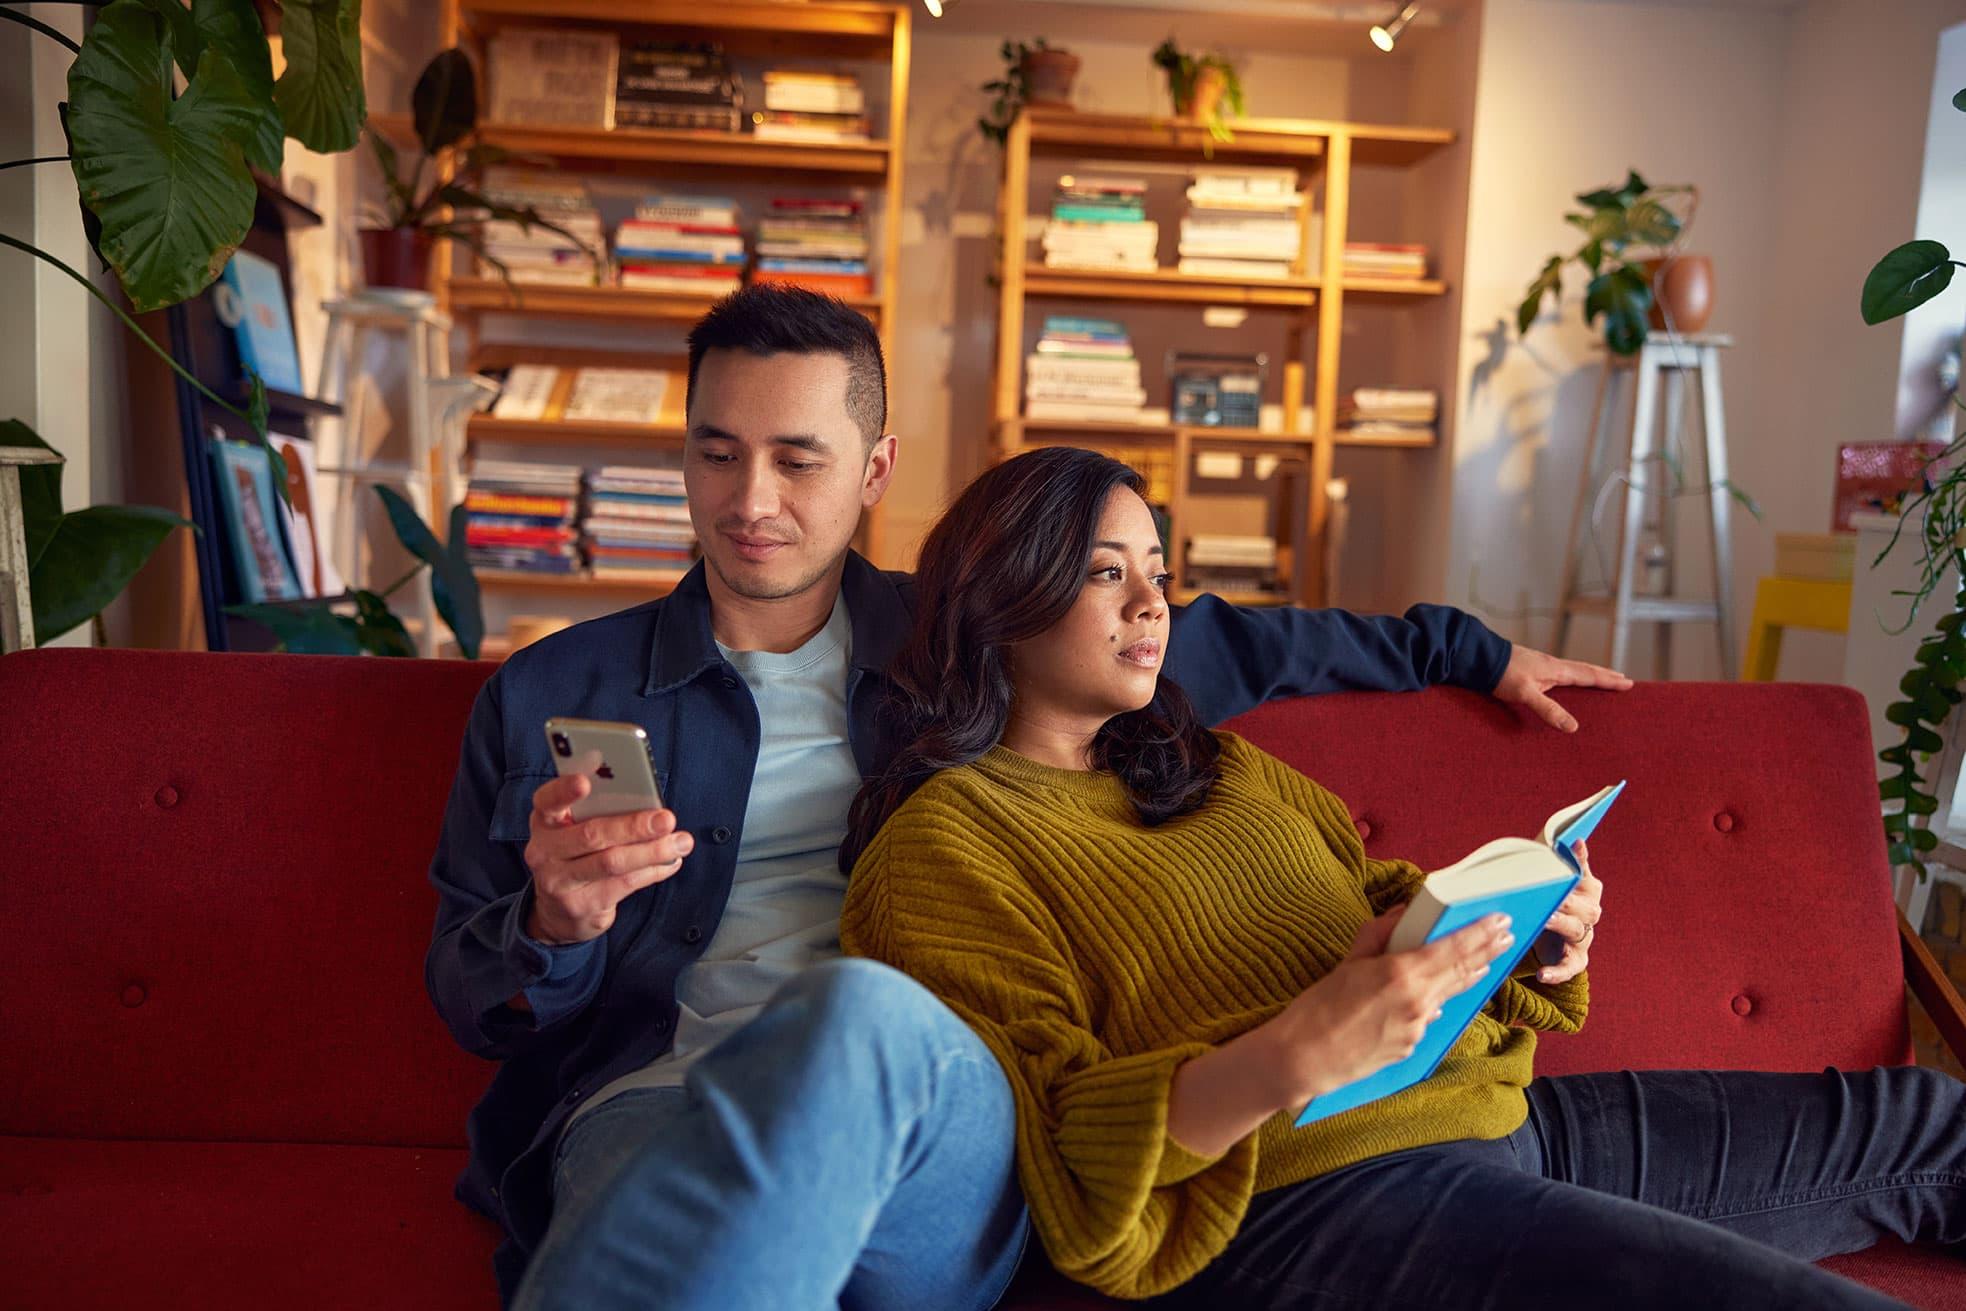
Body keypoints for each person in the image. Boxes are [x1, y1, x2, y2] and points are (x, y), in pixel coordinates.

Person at [424, 286, 1631, 1309]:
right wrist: (554, 928)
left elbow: (1234, 641)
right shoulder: (550, 690)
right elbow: (470, 1000)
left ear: (873, 471)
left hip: (935, 1105)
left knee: (858, 1019)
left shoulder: (978, 637)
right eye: (715, 452)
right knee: (663, 1182)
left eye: (799, 460)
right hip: (663, 1087)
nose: (752, 502)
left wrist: (1469, 653)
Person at [838, 444, 1966, 1308]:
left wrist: (1520, 931)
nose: (1151, 607)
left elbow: (1377, 899)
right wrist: (1295, 1050)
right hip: (1313, 1200)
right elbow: (1055, 1155)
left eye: (1158, 573)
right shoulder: (942, 850)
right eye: (1101, 574)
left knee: (1934, 1124)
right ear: (998, 603)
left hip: (1490, 1113)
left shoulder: (1211, 765)